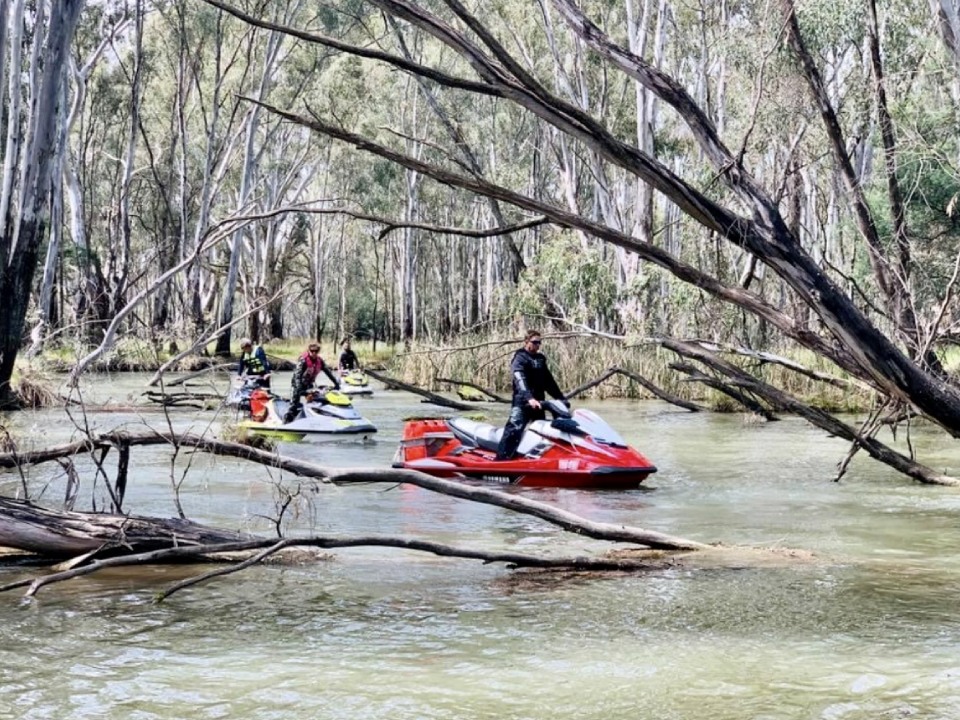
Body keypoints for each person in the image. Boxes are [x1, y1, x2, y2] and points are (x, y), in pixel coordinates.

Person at [495, 330, 568, 461]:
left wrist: (560, 398)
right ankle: (501, 460)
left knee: (542, 432)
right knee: (514, 430)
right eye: (534, 342)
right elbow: (520, 380)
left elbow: (548, 381)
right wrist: (529, 398)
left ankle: (536, 458)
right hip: (522, 402)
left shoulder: (540, 359)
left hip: (539, 403)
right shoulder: (520, 357)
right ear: (526, 341)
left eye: (539, 343)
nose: (537, 345)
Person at [283, 342, 341, 423]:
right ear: (309, 350)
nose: (314, 353)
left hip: (309, 385)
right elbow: (297, 376)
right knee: (293, 405)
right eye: (312, 351)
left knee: (316, 402)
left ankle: (313, 420)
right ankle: (286, 422)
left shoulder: (319, 361)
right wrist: (300, 390)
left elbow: (328, 373)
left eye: (316, 351)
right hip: (297, 385)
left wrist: (336, 383)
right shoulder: (303, 360)